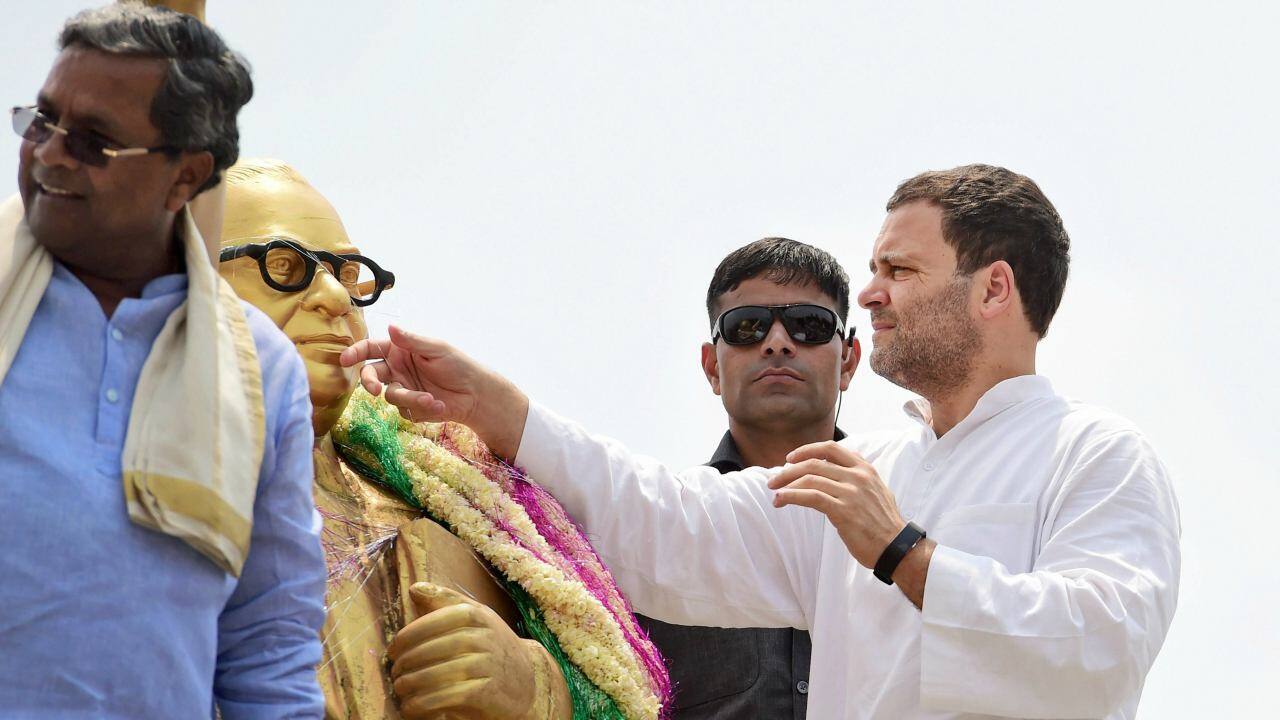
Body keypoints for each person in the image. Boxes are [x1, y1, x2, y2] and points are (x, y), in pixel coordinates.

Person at [344, 164, 1182, 719]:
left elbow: (1101, 649)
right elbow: (663, 523)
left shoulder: (1095, 455)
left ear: (994, 289)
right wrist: (498, 410)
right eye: (875, 270)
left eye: (900, 271)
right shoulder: (862, 474)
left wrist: (903, 553)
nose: (871, 294)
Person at [218, 158, 668, 720]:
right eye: (283, 265)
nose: (335, 297)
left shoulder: (458, 512)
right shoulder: (125, 488)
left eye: (348, 273)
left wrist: (535, 689)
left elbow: (615, 692)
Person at [0, 4, 326, 719]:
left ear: (186, 177)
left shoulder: (259, 372)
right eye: (42, 121)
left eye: (93, 142)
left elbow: (269, 650)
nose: (49, 154)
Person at [637, 237, 858, 719]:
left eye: (809, 324)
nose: (777, 342)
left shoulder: (914, 515)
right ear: (712, 367)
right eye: (746, 327)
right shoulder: (657, 533)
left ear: (848, 360)